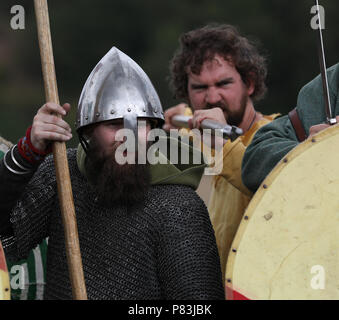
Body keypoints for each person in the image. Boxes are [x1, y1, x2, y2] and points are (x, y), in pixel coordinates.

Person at [0, 47, 224, 300]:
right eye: (114, 124)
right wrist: (28, 151)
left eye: (140, 124)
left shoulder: (181, 208)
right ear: (88, 133)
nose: (127, 137)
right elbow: (5, 229)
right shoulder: (63, 178)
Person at [164, 23, 280, 285]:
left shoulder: (277, 136)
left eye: (223, 83)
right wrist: (159, 131)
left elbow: (274, 186)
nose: (213, 97)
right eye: (200, 88)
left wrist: (221, 142)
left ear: (249, 83)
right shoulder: (187, 140)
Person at [242, 63, 339, 193]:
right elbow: (255, 159)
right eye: (204, 87)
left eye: (224, 84)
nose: (213, 97)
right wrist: (308, 150)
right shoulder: (330, 84)